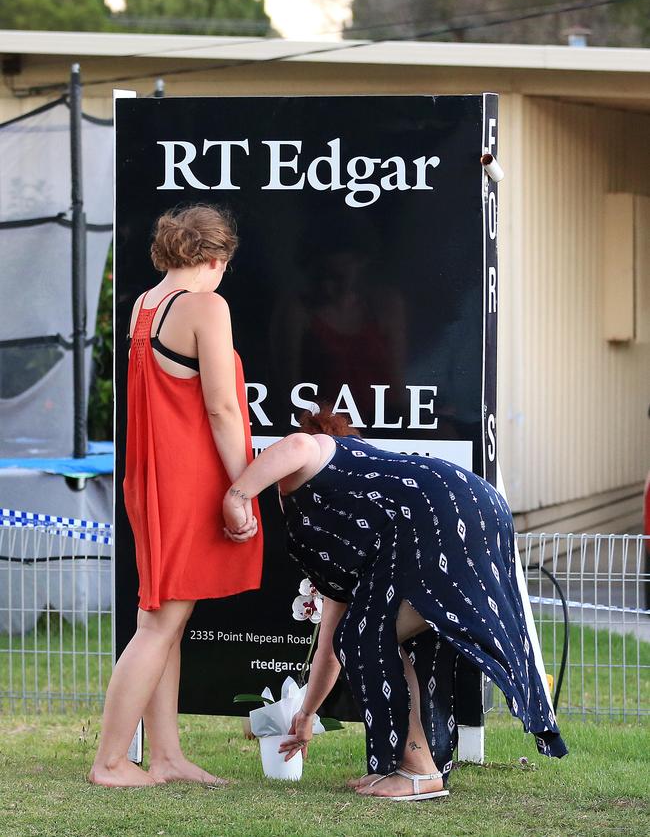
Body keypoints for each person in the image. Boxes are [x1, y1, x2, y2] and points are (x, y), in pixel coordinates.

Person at [223, 407, 567, 802]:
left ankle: (418, 772)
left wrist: (237, 495)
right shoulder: (355, 515)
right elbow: (332, 645)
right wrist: (306, 715)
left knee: (365, 637)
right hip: (475, 501)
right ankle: (410, 766)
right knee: (363, 637)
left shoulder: (315, 453)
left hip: (440, 511)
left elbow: (297, 444)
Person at [90, 204, 263, 788]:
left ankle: (165, 756)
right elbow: (221, 406)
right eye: (224, 266)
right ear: (215, 259)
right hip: (187, 482)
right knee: (158, 623)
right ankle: (111, 761)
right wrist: (245, 486)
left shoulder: (145, 305)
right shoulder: (205, 305)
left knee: (167, 616)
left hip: (150, 479)